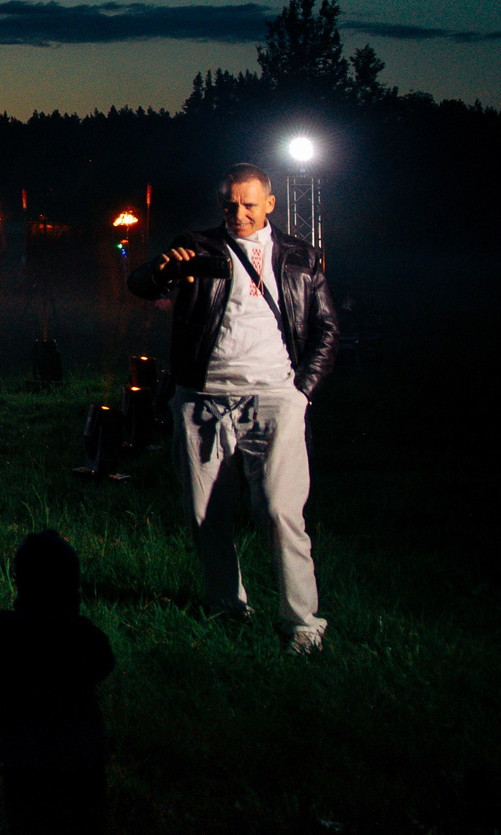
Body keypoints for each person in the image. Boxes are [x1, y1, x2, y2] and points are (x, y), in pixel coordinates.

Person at [128, 161, 337, 653]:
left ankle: (303, 624)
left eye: (248, 203)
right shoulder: (197, 247)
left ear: (269, 203)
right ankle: (226, 608)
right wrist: (163, 270)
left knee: (282, 513)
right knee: (205, 513)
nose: (238, 213)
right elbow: (141, 285)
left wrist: (301, 390)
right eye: (229, 204)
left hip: (276, 397)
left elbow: (326, 329)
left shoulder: (301, 256)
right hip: (202, 396)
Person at [0, 530, 114, 834]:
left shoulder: (4, 636)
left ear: (19, 588)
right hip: (83, 764)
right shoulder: (82, 636)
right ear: (74, 593)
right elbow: (105, 663)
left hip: (24, 763)